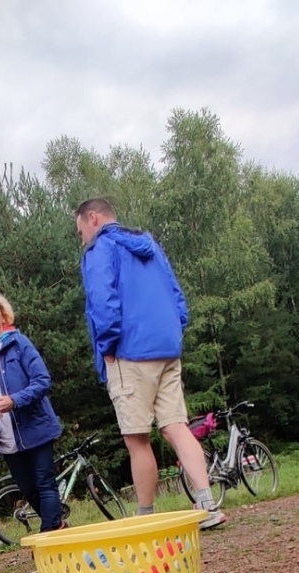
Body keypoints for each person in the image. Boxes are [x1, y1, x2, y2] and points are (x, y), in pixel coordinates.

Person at [74, 197, 224, 529]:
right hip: (167, 347)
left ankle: (146, 517)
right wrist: (174, 331)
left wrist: (108, 345)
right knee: (176, 427)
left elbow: (103, 301)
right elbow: (176, 295)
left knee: (136, 439)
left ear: (93, 218)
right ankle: (208, 504)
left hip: (129, 352)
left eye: (80, 228)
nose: (81, 236)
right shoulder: (149, 244)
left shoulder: (100, 249)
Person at [0, 288, 63, 532]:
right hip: (4, 436)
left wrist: (15, 400)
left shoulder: (19, 343)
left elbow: (42, 380)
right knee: (28, 489)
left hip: (35, 427)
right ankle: (58, 526)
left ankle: (48, 535)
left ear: (3, 315)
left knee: (44, 483)